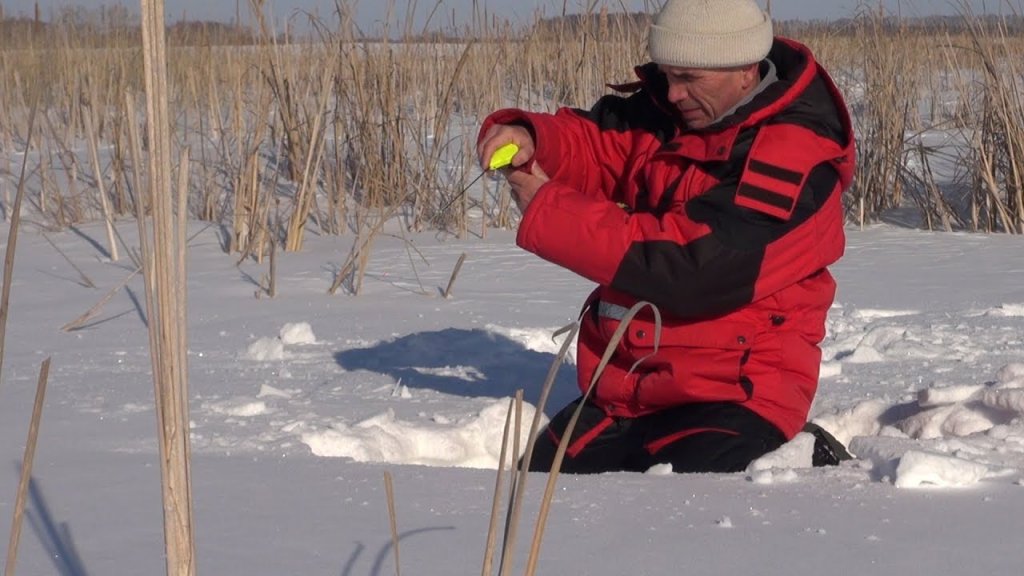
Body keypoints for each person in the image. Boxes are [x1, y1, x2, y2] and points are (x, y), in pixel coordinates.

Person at [476, 0, 855, 474]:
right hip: (627, 390)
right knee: (536, 495)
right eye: (667, 74)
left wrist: (551, 211)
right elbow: (599, 144)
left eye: (689, 79)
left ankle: (799, 454)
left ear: (744, 70)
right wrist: (534, 138)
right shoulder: (670, 112)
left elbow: (695, 267)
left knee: (673, 515)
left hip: (734, 395)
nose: (673, 94)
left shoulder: (794, 158)